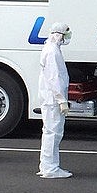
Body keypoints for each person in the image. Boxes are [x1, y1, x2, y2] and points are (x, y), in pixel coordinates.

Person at [37, 22, 73, 179]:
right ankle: (50, 168)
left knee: (49, 132)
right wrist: (61, 99)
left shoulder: (51, 49)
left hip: (50, 98)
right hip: (53, 99)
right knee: (54, 133)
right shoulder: (53, 52)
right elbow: (54, 78)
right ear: (59, 35)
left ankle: (46, 166)